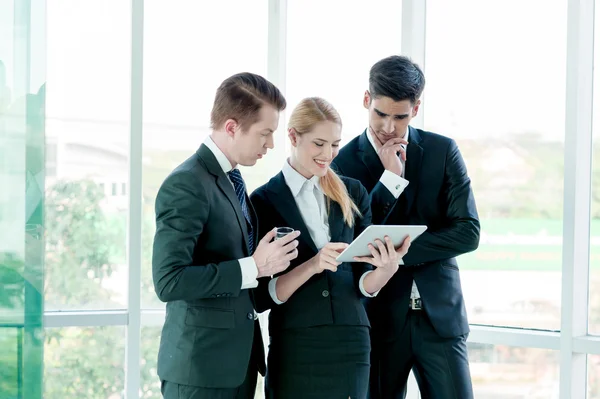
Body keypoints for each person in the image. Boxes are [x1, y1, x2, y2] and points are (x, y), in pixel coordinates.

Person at [332, 55, 480, 399]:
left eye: (400, 117)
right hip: (380, 321)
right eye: (380, 114)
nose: (388, 127)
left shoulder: (443, 151)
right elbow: (353, 241)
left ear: (416, 108)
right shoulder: (342, 162)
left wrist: (397, 253)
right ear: (366, 100)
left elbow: (468, 232)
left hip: (440, 320)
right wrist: (388, 182)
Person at [250, 97, 410, 399]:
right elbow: (261, 296)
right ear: (294, 137)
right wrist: (312, 265)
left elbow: (363, 282)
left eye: (335, 145)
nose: (328, 155)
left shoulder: (352, 192)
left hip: (352, 342)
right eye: (319, 144)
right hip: (296, 344)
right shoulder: (263, 201)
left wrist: (386, 270)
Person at [152, 72, 300, 399]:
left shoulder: (232, 179)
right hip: (200, 371)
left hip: (238, 366)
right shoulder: (187, 184)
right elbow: (168, 281)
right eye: (265, 133)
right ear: (232, 127)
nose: (271, 144)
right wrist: (253, 267)